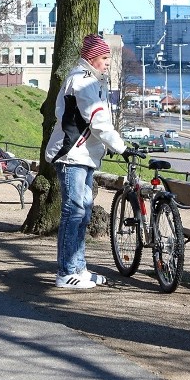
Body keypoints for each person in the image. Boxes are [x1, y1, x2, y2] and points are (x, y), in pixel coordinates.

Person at [45, 34, 129, 290]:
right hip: (73, 156)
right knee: (75, 212)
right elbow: (97, 120)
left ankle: (78, 268)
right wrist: (121, 148)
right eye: (104, 58)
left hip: (82, 155)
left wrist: (108, 144)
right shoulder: (82, 82)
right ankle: (67, 271)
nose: (106, 63)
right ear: (92, 57)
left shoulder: (89, 80)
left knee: (83, 212)